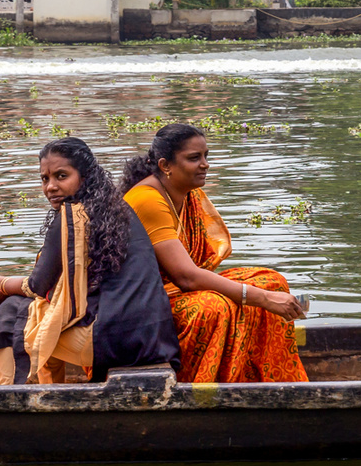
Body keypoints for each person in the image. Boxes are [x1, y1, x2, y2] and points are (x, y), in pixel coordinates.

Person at [0, 138, 179, 385]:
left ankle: (7, 397)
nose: (51, 187)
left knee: (11, 313)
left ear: (85, 177)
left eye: (61, 176)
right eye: (45, 179)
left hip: (116, 340)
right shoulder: (118, 209)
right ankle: (51, 393)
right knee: (39, 316)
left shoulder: (72, 216)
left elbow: (37, 286)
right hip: (153, 338)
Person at [120, 123, 307, 384]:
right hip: (147, 306)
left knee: (271, 280)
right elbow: (185, 277)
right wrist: (261, 298)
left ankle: (261, 382)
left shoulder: (187, 194)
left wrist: (263, 293)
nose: (205, 164)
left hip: (178, 291)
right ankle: (202, 386)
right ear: (165, 166)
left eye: (206, 156)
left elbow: (196, 274)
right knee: (213, 308)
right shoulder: (147, 199)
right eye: (194, 158)